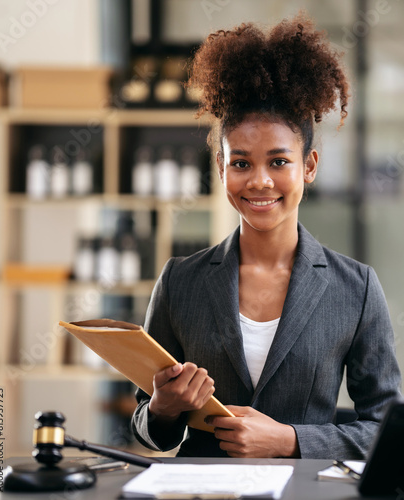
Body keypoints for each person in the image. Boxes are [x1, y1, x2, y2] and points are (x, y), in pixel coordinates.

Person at [131, 13, 401, 459]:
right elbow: (146, 425)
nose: (259, 181)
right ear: (220, 168)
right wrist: (161, 408)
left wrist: (291, 440)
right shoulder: (180, 281)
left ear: (309, 166)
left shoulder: (356, 288)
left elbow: (388, 431)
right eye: (240, 163)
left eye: (278, 162)